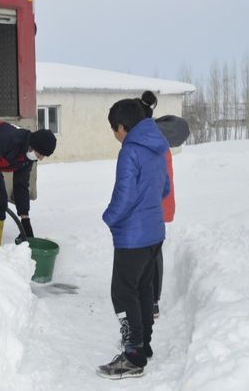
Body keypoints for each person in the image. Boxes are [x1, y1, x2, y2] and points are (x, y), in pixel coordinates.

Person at [97, 98, 170, 379]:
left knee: (123, 293)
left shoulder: (130, 151)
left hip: (133, 236)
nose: (115, 136)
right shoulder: (157, 147)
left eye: (114, 130)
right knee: (143, 290)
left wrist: (110, 217)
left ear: (122, 127)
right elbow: (164, 189)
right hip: (154, 232)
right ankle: (143, 346)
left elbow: (124, 196)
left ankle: (132, 357)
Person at [135, 91, 190, 319]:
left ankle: (152, 301)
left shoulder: (149, 141)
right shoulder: (152, 137)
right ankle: (150, 298)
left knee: (151, 254)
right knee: (151, 253)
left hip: (153, 205)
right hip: (157, 204)